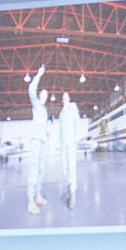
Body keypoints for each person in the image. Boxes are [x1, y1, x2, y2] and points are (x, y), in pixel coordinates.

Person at [25, 66, 53, 216]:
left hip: (42, 141)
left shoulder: (44, 111)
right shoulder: (36, 105)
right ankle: (30, 201)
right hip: (36, 140)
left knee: (41, 170)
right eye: (43, 93)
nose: (45, 95)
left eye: (46, 94)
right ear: (40, 95)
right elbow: (31, 90)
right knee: (34, 169)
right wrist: (39, 74)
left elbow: (45, 127)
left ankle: (38, 194)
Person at [57, 89, 84, 209]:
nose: (65, 97)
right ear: (62, 100)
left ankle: (73, 195)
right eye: (64, 96)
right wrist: (59, 144)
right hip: (64, 143)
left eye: (67, 95)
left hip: (71, 141)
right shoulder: (61, 113)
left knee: (72, 166)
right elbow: (60, 130)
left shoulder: (73, 107)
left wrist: (77, 136)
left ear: (69, 98)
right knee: (64, 167)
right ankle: (68, 190)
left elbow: (77, 121)